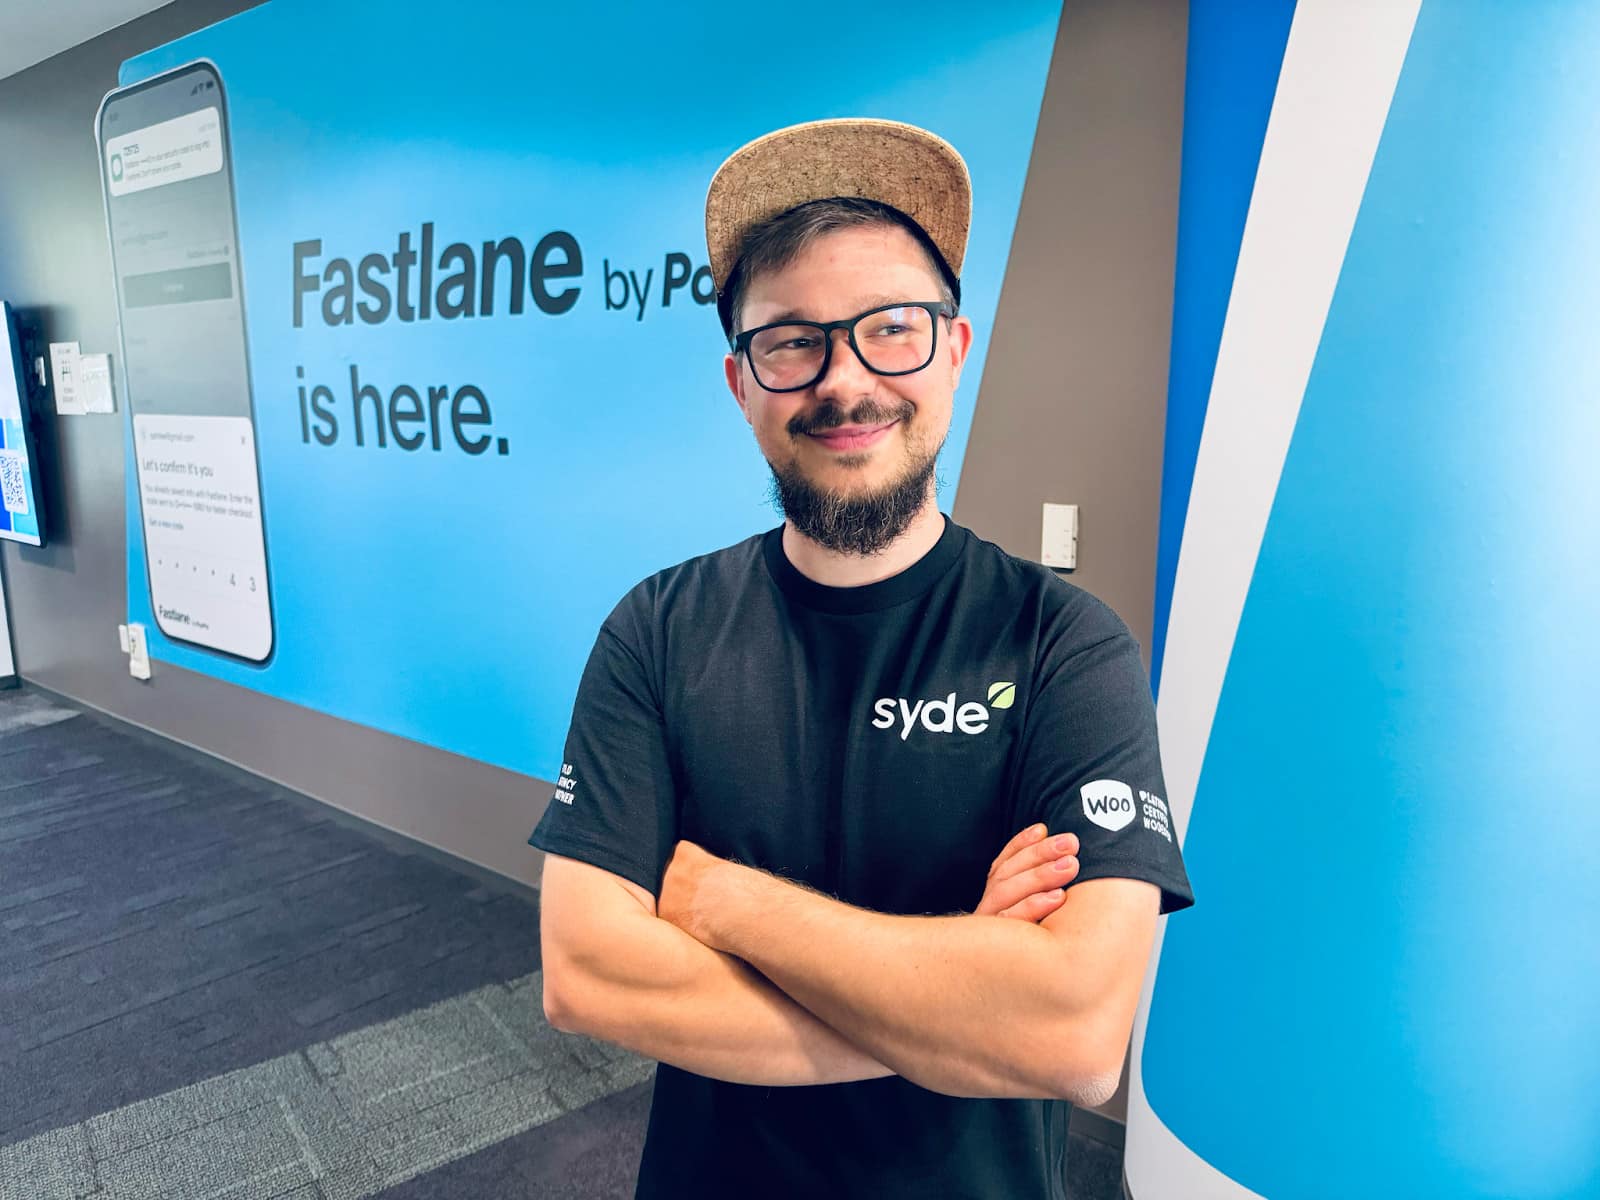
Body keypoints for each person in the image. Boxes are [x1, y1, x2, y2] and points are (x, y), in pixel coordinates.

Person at [529, 117, 1195, 1199]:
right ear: (741, 384)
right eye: (791, 341)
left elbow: (1073, 1035)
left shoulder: (1065, 646)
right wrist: (958, 1005)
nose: (844, 381)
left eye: (890, 328)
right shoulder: (654, 630)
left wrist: (726, 904)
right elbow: (588, 974)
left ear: (954, 350)